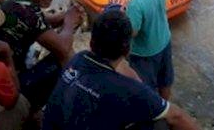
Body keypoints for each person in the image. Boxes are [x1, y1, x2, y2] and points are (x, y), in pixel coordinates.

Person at [43, 9, 198, 130]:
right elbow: (177, 117)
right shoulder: (128, 91)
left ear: (91, 42)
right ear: (127, 50)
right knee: (161, 123)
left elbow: (122, 73)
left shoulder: (78, 59)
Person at [0, 0, 84, 112]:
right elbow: (62, 47)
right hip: (10, 81)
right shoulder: (28, 13)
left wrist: (63, 17)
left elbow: (39, 22)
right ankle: (75, 101)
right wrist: (69, 22)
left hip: (4, 70)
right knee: (64, 56)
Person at [126, 0, 174, 100]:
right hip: (164, 41)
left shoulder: (136, 2)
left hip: (145, 53)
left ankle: (151, 115)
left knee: (145, 88)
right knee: (165, 80)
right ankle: (164, 106)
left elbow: (133, 32)